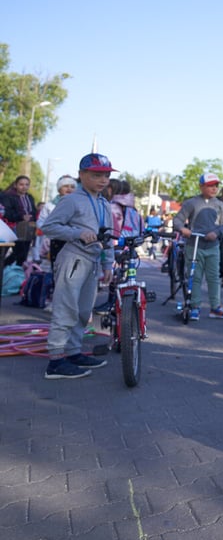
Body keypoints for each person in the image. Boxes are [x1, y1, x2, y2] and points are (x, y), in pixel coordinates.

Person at [40, 153, 117, 379]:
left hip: (92, 261)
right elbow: (49, 226)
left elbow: (108, 237)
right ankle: (55, 361)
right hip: (73, 258)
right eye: (96, 175)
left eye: (105, 176)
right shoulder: (71, 200)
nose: (102, 180)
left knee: (83, 311)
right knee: (66, 308)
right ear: (82, 175)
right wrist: (77, 233)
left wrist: (108, 263)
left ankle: (73, 353)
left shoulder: (104, 203)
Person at [172, 173, 223, 320]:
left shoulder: (219, 204)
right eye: (210, 185)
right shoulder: (192, 203)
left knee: (214, 277)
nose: (214, 188)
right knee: (194, 277)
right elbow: (177, 220)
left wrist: (216, 233)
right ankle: (194, 306)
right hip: (194, 245)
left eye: (216, 185)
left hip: (213, 246)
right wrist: (182, 229)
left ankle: (215, 307)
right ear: (201, 186)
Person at [94, 179, 144, 314]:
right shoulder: (132, 208)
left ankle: (112, 304)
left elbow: (111, 227)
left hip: (117, 244)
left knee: (114, 277)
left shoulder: (113, 206)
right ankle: (121, 305)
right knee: (125, 278)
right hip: (131, 244)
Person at [36, 175, 77, 265]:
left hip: (73, 241)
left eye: (72, 187)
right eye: (66, 186)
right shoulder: (49, 205)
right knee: (56, 268)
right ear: (59, 189)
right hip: (54, 241)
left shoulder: (79, 205)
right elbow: (41, 222)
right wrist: (49, 232)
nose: (69, 189)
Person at [1, 175, 38, 267]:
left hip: (27, 229)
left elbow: (34, 211)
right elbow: (6, 213)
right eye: (21, 184)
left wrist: (32, 219)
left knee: (23, 255)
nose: (24, 187)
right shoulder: (8, 197)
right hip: (12, 228)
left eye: (26, 184)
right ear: (15, 185)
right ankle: (3, 269)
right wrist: (21, 217)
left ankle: (17, 275)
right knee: (12, 253)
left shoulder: (30, 197)